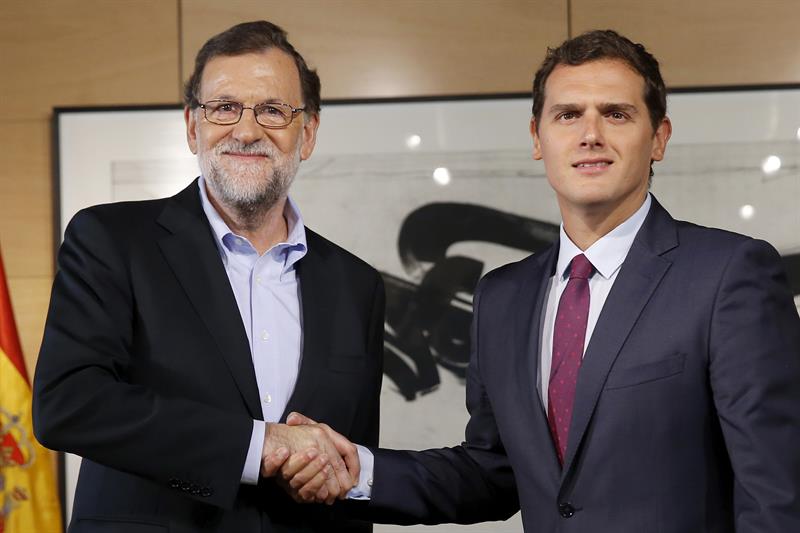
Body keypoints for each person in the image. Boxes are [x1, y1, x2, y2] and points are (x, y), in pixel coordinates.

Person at [283, 30, 800, 531]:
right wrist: (360, 472)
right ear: (538, 137)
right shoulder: (502, 297)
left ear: (659, 137)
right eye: (568, 114)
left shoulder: (729, 274)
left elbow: (776, 491)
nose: (590, 133)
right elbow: (493, 472)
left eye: (616, 114)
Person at [32, 20, 383, 532]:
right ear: (193, 126)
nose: (245, 130)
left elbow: (347, 465)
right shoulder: (110, 239)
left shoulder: (358, 286)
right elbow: (68, 403)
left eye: (271, 110)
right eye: (224, 107)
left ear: (306, 133)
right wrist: (261, 445)